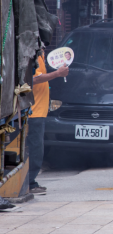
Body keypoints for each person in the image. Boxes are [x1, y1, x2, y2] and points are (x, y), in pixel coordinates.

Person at [27, 48, 69, 195]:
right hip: (33, 111)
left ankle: (29, 182)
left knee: (35, 149)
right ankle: (29, 183)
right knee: (34, 150)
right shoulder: (31, 53)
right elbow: (34, 78)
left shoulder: (41, 53)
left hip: (39, 111)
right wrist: (57, 74)